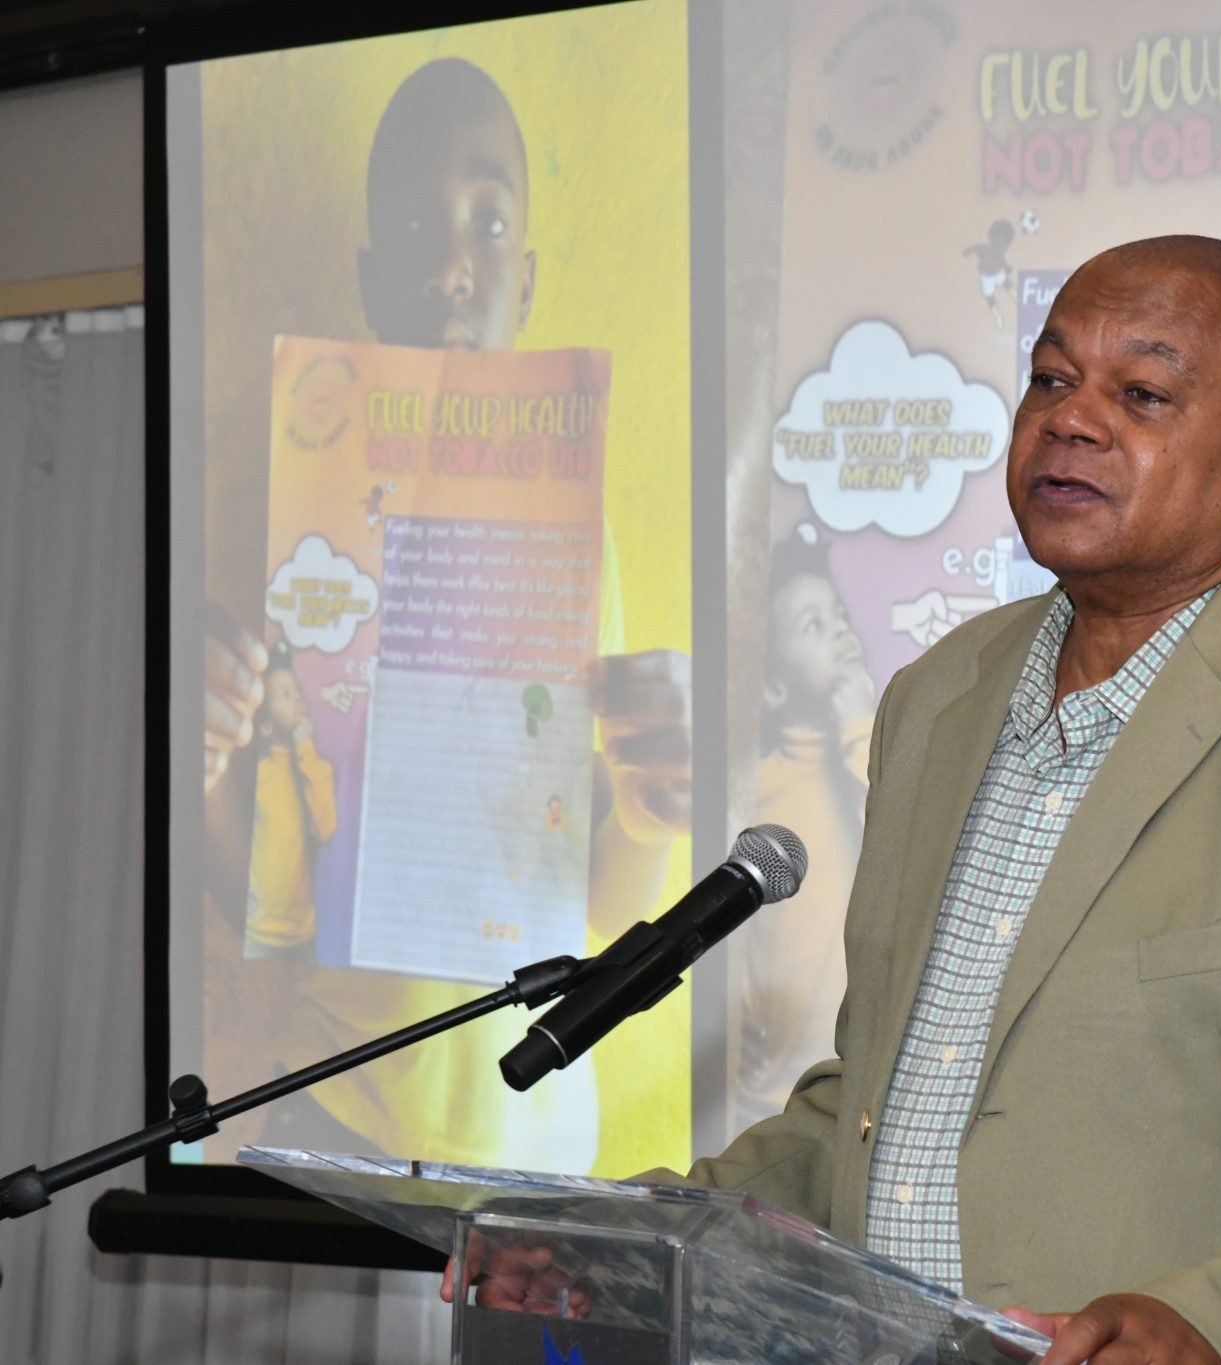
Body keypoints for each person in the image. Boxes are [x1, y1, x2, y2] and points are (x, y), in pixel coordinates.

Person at [455, 235, 1221, 1364]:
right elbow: (885, 1107)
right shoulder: (937, 700)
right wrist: (643, 1237)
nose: (1069, 420)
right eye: (1049, 378)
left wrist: (1220, 1327)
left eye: (1138, 393)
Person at [202, 57, 691, 1170]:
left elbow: (595, 914)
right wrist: (205, 767)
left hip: (538, 1141)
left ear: (524, 280)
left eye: (485, 225)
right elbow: (269, 906)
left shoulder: (575, 537)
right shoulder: (303, 530)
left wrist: (657, 814)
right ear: (374, 279)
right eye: (420, 229)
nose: (453, 268)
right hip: (344, 1124)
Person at [731, 525, 876, 1129]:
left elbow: (910, 855)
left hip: (864, 1105)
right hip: (772, 1108)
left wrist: (857, 730)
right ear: (772, 686)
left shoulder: (875, 756)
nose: (840, 629)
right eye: (812, 625)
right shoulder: (751, 791)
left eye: (838, 614)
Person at [241, 645, 337, 959]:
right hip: (257, 934)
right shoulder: (258, 775)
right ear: (265, 725)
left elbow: (324, 830)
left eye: (297, 690)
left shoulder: (314, 769)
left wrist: (306, 750)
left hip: (303, 936)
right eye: (284, 694)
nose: (296, 697)